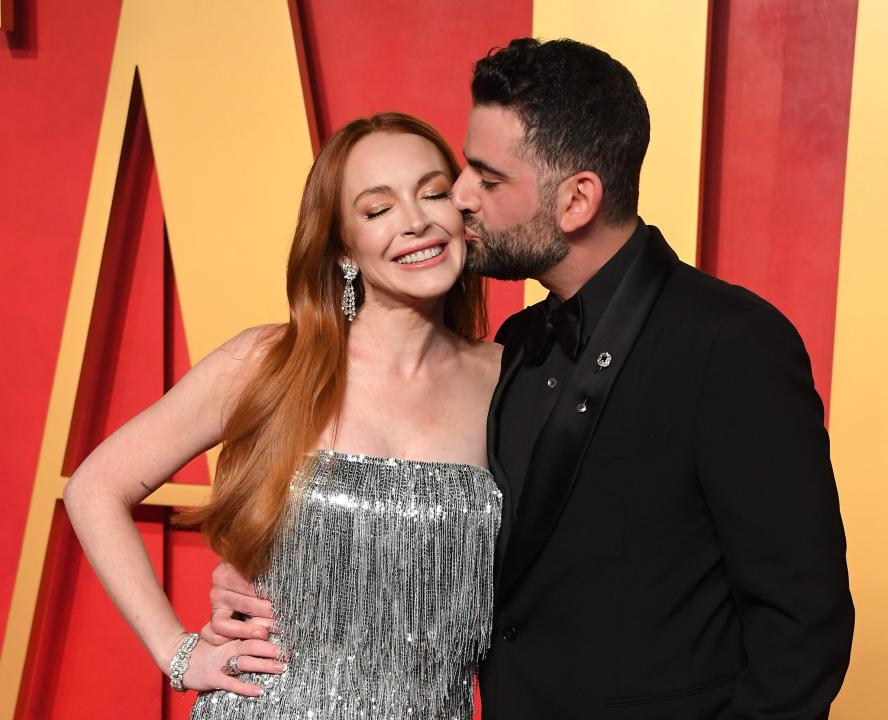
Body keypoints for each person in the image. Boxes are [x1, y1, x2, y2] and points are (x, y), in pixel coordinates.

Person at [208, 38, 855, 719]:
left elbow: (802, 627)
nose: (456, 199)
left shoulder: (732, 344)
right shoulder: (516, 347)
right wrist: (288, 573)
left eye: (487, 180)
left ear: (577, 200)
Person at [63, 112, 504, 718]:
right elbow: (95, 487)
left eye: (432, 193)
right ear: (343, 246)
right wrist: (178, 652)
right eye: (378, 209)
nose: (415, 220)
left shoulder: (513, 379)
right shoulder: (269, 363)